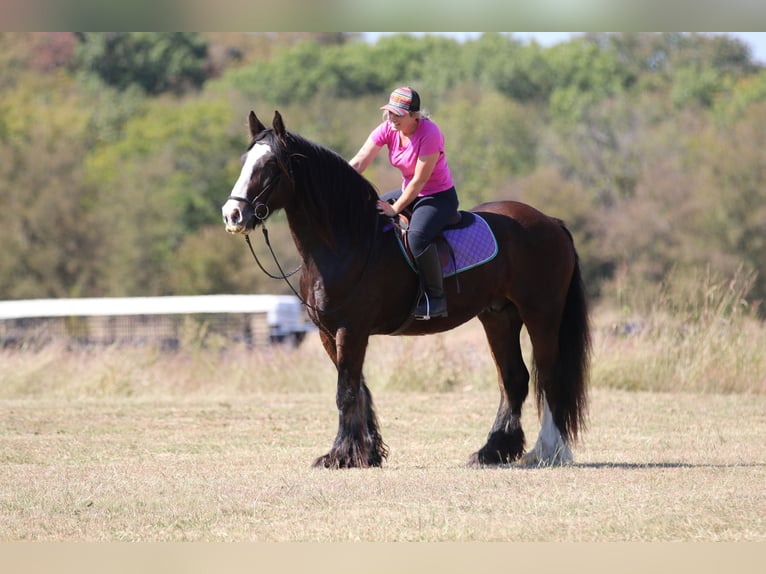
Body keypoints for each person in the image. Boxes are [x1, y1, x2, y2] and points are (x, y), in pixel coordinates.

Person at [349, 86, 458, 320]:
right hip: (407, 191)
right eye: (389, 112)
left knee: (417, 237)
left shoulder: (430, 133)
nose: (392, 118)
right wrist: (335, 182)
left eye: (398, 114)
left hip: (437, 197)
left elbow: (419, 181)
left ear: (414, 116)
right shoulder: (388, 128)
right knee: (368, 214)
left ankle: (436, 299)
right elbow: (359, 162)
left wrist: (395, 208)